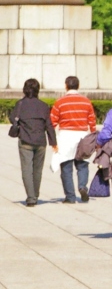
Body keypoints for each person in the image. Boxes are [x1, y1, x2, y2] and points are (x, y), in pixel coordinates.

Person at [8, 78, 56, 207]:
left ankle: (31, 197)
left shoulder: (20, 104)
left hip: (25, 140)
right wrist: (53, 142)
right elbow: (49, 125)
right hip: (41, 142)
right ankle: (35, 194)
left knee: (26, 169)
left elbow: (12, 118)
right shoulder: (44, 105)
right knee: (38, 170)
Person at [50, 75, 97, 203]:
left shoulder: (60, 102)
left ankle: (70, 197)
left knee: (66, 168)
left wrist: (51, 139)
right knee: (82, 165)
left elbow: (52, 121)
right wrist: (94, 137)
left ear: (66, 86)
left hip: (65, 137)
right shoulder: (86, 101)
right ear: (78, 86)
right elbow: (92, 121)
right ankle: (82, 187)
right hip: (82, 136)